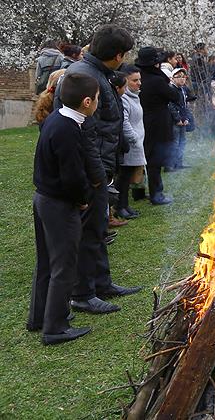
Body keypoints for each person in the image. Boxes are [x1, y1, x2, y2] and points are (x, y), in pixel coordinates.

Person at [56, 25, 140, 314]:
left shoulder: (97, 72)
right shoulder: (86, 76)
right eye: (125, 54)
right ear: (117, 55)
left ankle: (102, 282)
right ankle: (82, 293)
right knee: (89, 231)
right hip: (91, 169)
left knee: (99, 228)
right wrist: (96, 174)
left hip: (102, 165)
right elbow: (86, 132)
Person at [28, 73, 99, 344]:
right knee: (63, 265)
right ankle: (55, 327)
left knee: (47, 260)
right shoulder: (68, 128)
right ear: (87, 101)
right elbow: (71, 174)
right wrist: (82, 198)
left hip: (43, 198)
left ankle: (39, 317)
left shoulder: (58, 118)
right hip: (58, 203)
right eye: (97, 99)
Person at [137, 46, 183, 206]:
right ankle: (157, 194)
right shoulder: (156, 80)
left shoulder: (140, 77)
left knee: (146, 158)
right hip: (157, 122)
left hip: (142, 120)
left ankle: (142, 191)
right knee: (155, 160)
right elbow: (174, 95)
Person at [116, 68, 145, 220]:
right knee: (123, 176)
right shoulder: (124, 99)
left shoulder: (135, 96)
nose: (139, 83)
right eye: (135, 80)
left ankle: (125, 205)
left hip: (136, 143)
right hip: (129, 144)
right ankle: (120, 207)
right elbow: (124, 121)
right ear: (125, 82)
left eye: (139, 80)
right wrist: (134, 138)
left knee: (127, 177)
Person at [168, 68, 193, 169]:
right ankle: (170, 165)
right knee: (174, 142)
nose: (182, 79)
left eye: (183, 77)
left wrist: (186, 118)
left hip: (183, 120)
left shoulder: (183, 90)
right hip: (175, 121)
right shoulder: (171, 89)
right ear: (172, 78)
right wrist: (177, 119)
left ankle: (179, 163)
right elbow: (171, 106)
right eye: (179, 77)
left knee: (182, 142)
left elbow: (184, 106)